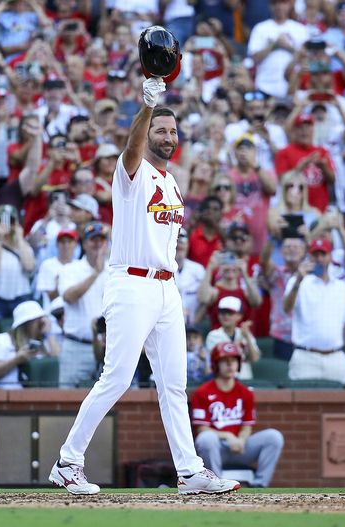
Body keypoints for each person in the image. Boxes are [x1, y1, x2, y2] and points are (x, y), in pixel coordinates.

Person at [50, 76, 240, 496]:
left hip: (164, 286)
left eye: (172, 131)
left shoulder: (172, 183)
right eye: (161, 130)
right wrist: (147, 108)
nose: (167, 137)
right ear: (148, 132)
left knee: (174, 383)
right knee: (116, 378)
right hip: (131, 281)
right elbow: (132, 148)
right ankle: (68, 462)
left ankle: (189, 472)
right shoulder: (130, 172)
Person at [190, 342, 284, 488]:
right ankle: (216, 485)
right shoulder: (202, 392)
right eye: (225, 361)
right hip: (217, 448)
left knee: (274, 436)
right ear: (216, 364)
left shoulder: (245, 392)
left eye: (233, 361)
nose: (230, 365)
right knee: (206, 439)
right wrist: (228, 436)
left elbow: (247, 426)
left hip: (240, 447)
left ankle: (260, 485)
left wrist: (240, 440)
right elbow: (202, 429)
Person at [283, 238, 345, 383]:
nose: (319, 259)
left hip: (335, 356)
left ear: (330, 257)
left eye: (323, 254)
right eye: (315, 255)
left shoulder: (342, 287)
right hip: (305, 356)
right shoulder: (298, 281)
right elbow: (287, 308)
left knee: (339, 403)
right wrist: (298, 280)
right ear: (309, 257)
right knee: (301, 404)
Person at [57, 222, 109, 388]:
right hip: (76, 346)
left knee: (110, 407)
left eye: (102, 240)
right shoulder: (71, 269)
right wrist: (96, 273)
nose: (98, 244)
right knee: (67, 400)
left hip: (106, 349)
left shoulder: (115, 271)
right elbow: (69, 297)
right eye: (93, 240)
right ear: (85, 243)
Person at [0, 300, 59, 389]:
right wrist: (16, 360)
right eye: (39, 320)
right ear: (28, 323)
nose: (43, 323)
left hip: (41, 395)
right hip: (6, 394)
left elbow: (59, 363)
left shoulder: (47, 340)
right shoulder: (1, 340)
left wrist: (49, 334)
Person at [0, 205, 36, 320]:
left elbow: (29, 267)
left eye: (11, 220)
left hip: (21, 299)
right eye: (3, 220)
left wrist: (19, 237)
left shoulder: (24, 247)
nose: (7, 224)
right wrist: (0, 238)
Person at [204, 296, 261, 380]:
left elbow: (254, 358)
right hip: (223, 380)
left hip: (245, 379)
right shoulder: (213, 335)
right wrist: (241, 337)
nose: (226, 316)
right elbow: (227, 355)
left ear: (239, 316)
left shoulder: (245, 333)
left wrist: (247, 338)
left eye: (230, 313)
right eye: (222, 313)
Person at [35, 228, 79, 308]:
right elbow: (51, 297)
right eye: (62, 242)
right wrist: (59, 285)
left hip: (74, 316)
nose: (66, 245)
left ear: (75, 244)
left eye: (69, 242)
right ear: (57, 244)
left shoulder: (80, 265)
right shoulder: (47, 265)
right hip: (53, 316)